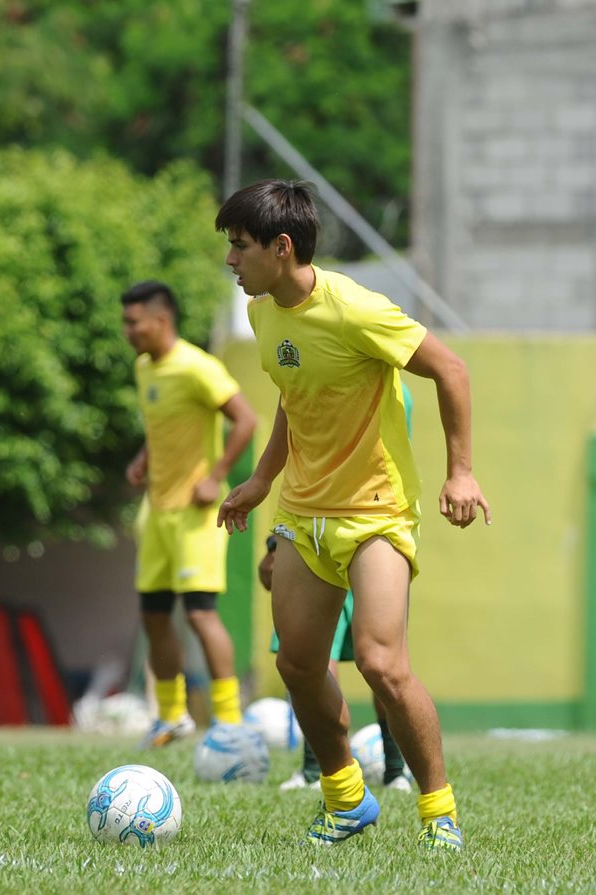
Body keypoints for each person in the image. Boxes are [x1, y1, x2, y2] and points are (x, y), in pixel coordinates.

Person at [215, 180, 490, 851]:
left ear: (282, 248)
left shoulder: (356, 308)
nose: (230, 260)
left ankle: (439, 812)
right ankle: (346, 799)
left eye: (239, 246)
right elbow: (292, 396)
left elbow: (450, 368)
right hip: (302, 511)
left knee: (380, 661)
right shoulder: (264, 314)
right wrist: (259, 479)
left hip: (374, 513)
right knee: (300, 664)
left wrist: (461, 470)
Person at [121, 280, 257, 749]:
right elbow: (163, 427)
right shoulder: (145, 368)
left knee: (200, 615)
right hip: (156, 512)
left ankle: (229, 721)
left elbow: (247, 419)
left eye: (133, 322)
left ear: (161, 321)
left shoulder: (198, 367)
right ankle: (171, 717)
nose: (128, 331)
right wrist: (144, 457)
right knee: (154, 615)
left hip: (195, 516)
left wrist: (216, 476)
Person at [265, 378, 417, 793]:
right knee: (308, 661)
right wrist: (275, 545)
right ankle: (318, 771)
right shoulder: (318, 365)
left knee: (381, 666)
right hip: (312, 536)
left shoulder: (388, 391)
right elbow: (303, 459)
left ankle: (396, 770)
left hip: (368, 542)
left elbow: (355, 466)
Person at [259, 534, 411, 793]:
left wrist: (276, 546)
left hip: (345, 548)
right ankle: (389, 771)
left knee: (369, 665)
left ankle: (318, 769)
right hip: (350, 551)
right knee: (364, 664)